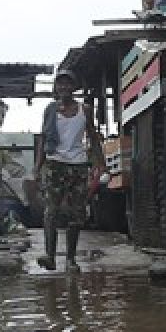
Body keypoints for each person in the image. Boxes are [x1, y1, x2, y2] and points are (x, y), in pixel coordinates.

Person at [36, 71, 103, 272]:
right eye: (60, 84)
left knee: (76, 214)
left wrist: (100, 162)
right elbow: (43, 139)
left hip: (78, 166)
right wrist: (38, 167)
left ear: (74, 87)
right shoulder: (50, 110)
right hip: (54, 164)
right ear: (56, 88)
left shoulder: (85, 110)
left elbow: (92, 135)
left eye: (68, 84)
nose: (64, 87)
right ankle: (50, 256)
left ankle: (71, 260)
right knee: (51, 212)